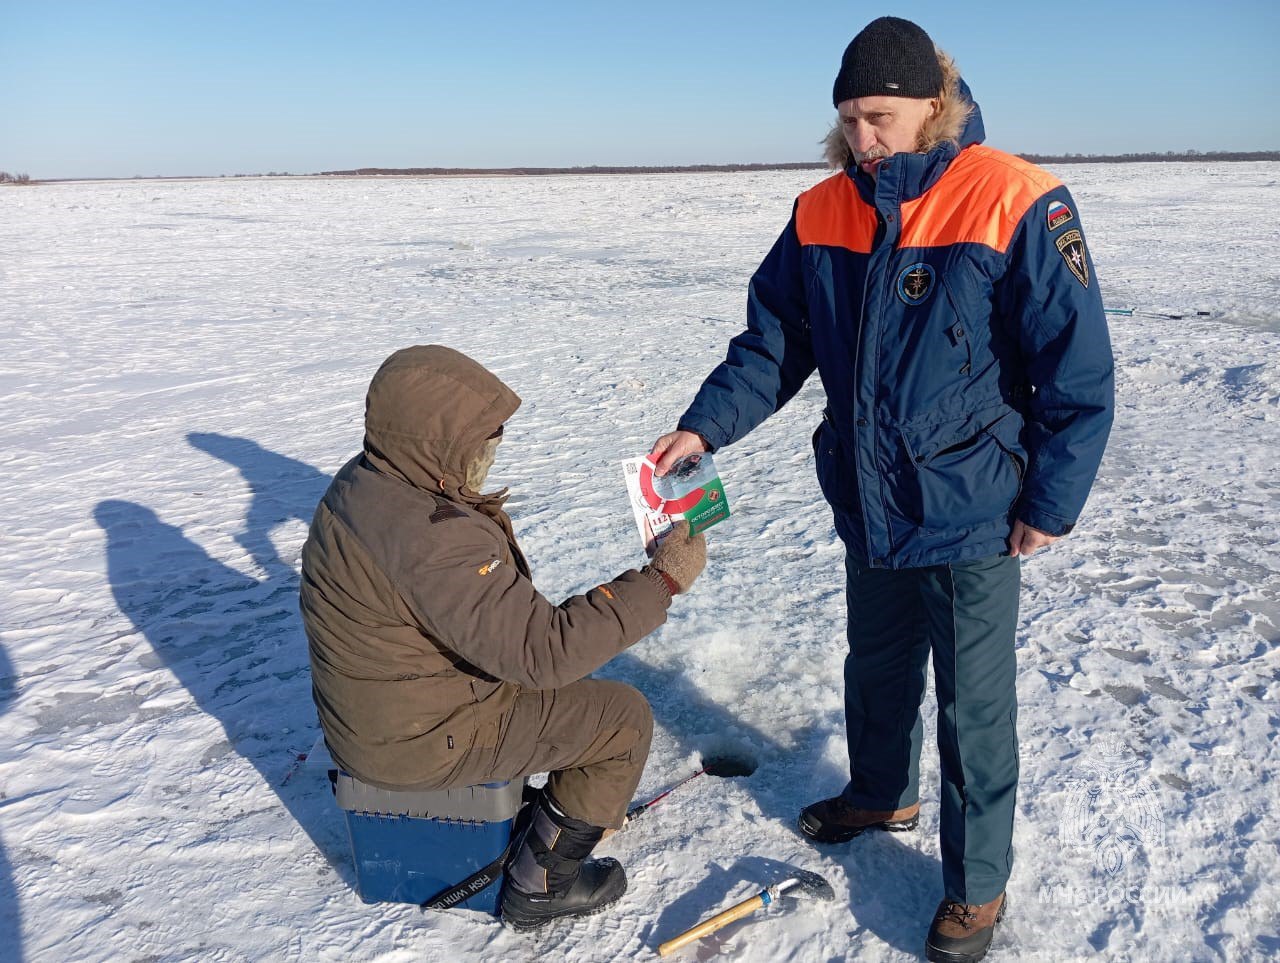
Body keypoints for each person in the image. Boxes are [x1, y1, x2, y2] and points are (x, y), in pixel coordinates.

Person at [650, 16, 1113, 962]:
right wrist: (706, 422)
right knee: (877, 666)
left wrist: (1049, 505)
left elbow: (1078, 369)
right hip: (870, 497)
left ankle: (975, 888)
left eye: (882, 117)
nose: (864, 137)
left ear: (932, 105)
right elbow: (775, 340)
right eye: (851, 119)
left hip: (977, 507)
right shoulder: (823, 209)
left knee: (973, 707)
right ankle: (879, 791)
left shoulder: (1014, 197)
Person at [300, 344, 706, 930]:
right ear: (434, 436)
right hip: (417, 740)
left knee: (577, 688)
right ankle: (540, 888)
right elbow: (545, 653)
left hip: (385, 718)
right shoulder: (431, 536)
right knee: (620, 719)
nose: (492, 448)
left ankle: (538, 821)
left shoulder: (369, 483)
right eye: (483, 436)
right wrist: (663, 580)